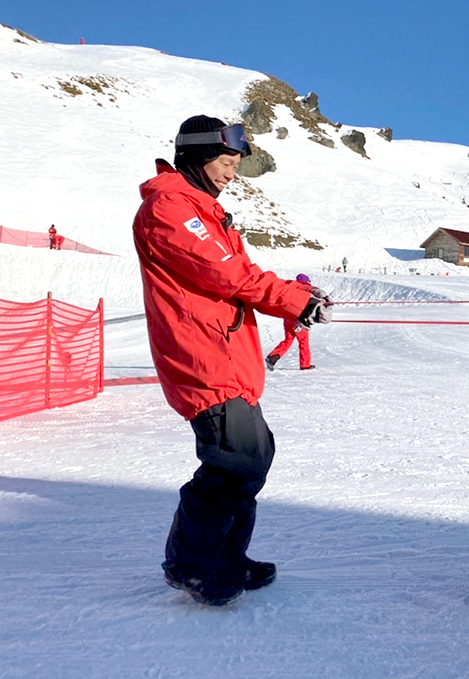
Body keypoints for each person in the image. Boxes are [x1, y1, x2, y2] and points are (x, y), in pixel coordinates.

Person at [133, 115, 329, 607]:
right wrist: (290, 300)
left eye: (235, 163)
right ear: (198, 157)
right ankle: (192, 565)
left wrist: (297, 292)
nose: (230, 174)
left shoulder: (202, 209)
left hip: (225, 354)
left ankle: (226, 555)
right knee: (232, 462)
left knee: (253, 457)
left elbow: (238, 272)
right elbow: (227, 275)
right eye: (224, 162)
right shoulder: (171, 209)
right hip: (202, 357)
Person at [265, 273, 331, 371]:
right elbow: (313, 292)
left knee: (288, 340)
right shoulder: (305, 287)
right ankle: (305, 364)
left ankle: (272, 357)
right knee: (303, 342)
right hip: (299, 320)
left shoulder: (291, 287)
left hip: (288, 318)